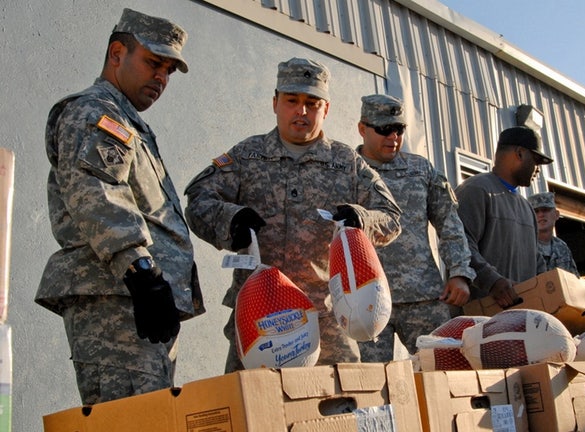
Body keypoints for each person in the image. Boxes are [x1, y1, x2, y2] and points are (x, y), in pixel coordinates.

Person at [184, 58, 401, 372]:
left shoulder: (346, 163)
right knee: (254, 412)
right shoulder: (248, 155)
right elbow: (198, 198)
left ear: (325, 109)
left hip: (325, 318)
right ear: (275, 103)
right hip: (259, 317)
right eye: (292, 101)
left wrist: (360, 221)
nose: (302, 111)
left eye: (312, 104)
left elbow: (390, 216)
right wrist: (230, 219)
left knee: (337, 411)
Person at [35, 8, 204, 405]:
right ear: (117, 53)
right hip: (118, 299)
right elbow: (96, 193)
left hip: (138, 304)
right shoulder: (95, 112)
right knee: (131, 419)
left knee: (150, 417)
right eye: (153, 63)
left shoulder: (127, 122)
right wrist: (140, 272)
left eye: (168, 71)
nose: (161, 77)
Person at [354, 94, 475, 361]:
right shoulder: (346, 171)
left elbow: (449, 222)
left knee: (445, 369)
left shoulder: (420, 170)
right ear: (363, 128)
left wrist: (459, 272)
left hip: (423, 297)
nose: (393, 137)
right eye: (384, 130)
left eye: (399, 130)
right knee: (371, 388)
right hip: (365, 302)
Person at [454, 126, 552, 308]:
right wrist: (492, 281)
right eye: (536, 160)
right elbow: (459, 246)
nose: (538, 170)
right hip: (479, 320)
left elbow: (537, 263)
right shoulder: (476, 190)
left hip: (523, 318)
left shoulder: (527, 208)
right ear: (520, 154)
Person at [527, 192, 580, 276]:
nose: (541, 214)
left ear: (556, 214)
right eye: (536, 211)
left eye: (545, 209)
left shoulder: (562, 247)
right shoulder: (525, 246)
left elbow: (574, 279)